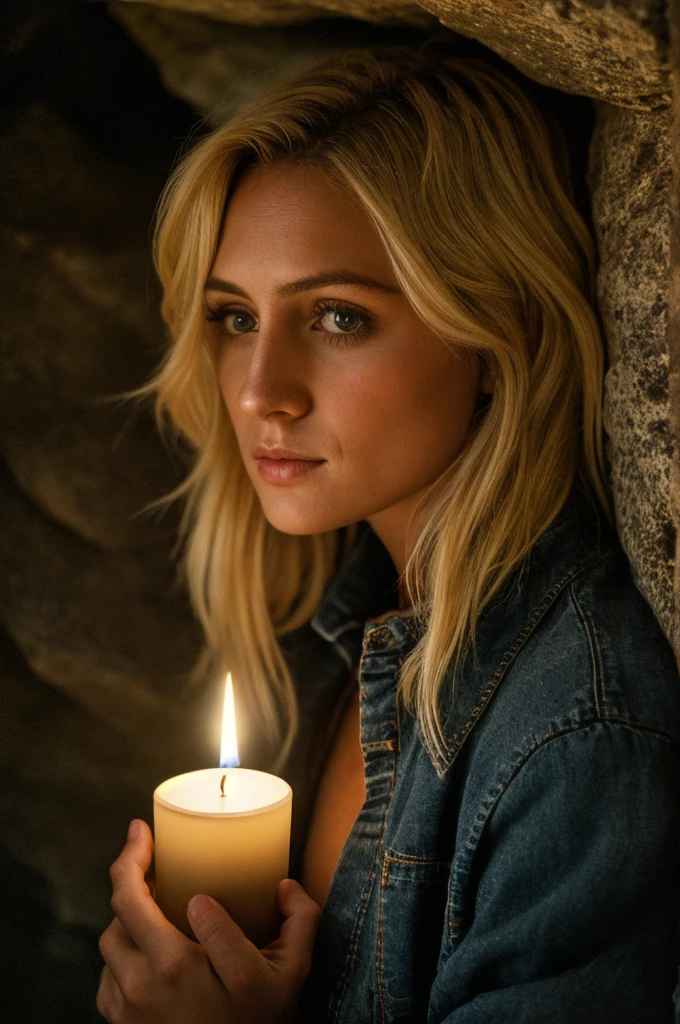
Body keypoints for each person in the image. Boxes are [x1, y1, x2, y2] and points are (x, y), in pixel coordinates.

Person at [96, 43, 680, 1023]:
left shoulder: (578, 738)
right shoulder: (328, 626)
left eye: (334, 315)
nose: (258, 392)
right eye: (235, 316)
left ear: (498, 334)